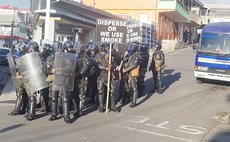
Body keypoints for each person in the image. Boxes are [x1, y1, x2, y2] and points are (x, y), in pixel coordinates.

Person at [95, 43, 121, 112]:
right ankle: (101, 105)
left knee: (113, 90)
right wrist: (105, 68)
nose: (107, 49)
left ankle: (112, 106)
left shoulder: (112, 55)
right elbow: (96, 65)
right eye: (106, 47)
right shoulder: (98, 55)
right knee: (100, 90)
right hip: (101, 74)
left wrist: (112, 66)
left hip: (110, 75)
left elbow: (117, 63)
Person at [122, 41, 141, 108]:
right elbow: (124, 60)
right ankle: (127, 98)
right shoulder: (130, 54)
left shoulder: (137, 55)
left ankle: (134, 102)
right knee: (127, 87)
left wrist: (126, 70)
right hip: (127, 74)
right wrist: (125, 56)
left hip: (132, 73)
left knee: (134, 88)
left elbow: (134, 65)